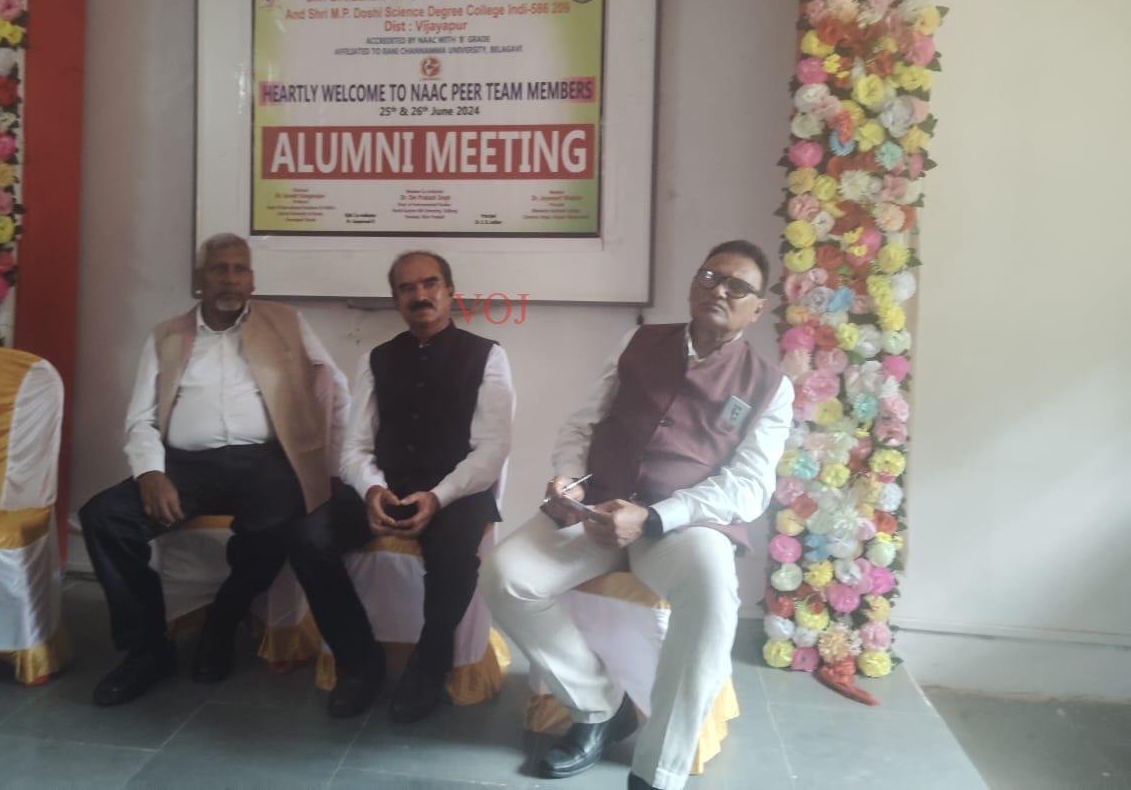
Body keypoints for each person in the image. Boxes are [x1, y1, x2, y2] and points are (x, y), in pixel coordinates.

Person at [481, 240, 794, 790]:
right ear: (693, 284)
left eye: (737, 286)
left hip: (681, 526)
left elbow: (748, 487)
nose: (719, 290)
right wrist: (567, 475)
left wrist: (654, 518)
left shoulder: (770, 386)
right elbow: (584, 422)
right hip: (597, 505)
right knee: (505, 575)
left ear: (757, 308)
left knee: (713, 592)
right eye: (709, 276)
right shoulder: (638, 342)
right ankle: (598, 706)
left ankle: (658, 771)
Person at [79, 233, 349, 706]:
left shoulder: (287, 323)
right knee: (104, 518)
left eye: (239, 269)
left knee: (281, 519)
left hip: (264, 460)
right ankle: (147, 650)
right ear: (199, 279)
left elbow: (335, 385)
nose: (230, 278)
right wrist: (150, 473)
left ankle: (223, 620)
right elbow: (140, 418)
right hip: (186, 466)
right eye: (219, 269)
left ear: (252, 279)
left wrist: (331, 461)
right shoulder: (167, 335)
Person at [285, 251, 514, 722]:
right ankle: (359, 664)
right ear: (396, 299)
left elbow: (492, 451)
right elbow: (355, 447)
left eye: (430, 284)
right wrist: (371, 489)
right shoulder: (377, 359)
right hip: (385, 487)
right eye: (407, 288)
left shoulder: (488, 356)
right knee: (307, 539)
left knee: (454, 555)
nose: (419, 295)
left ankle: (429, 668)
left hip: (455, 491)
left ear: (449, 292)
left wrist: (439, 496)